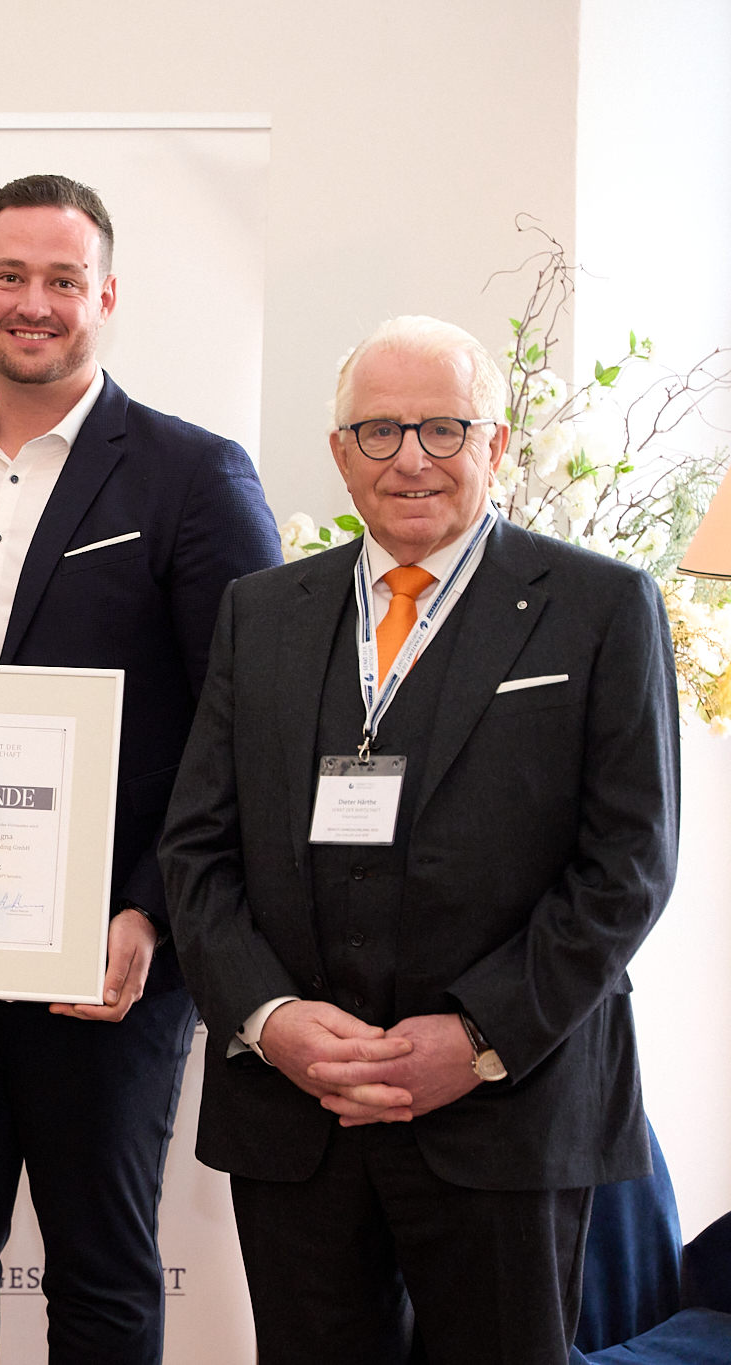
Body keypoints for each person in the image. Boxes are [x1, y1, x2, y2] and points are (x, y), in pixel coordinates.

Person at [159, 315, 680, 1364]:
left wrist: (478, 1038)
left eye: (443, 429)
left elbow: (627, 866)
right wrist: (270, 1018)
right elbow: (196, 852)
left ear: (497, 445)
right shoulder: (259, 611)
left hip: (507, 1118)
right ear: (339, 452)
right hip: (296, 1117)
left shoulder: (598, 606)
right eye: (379, 430)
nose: (409, 459)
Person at [0, 173, 282, 1364]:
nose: (32, 302)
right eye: (9, 276)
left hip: (99, 947)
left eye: (61, 280)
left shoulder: (192, 473)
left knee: (97, 1268)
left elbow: (246, 718)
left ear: (105, 297)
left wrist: (149, 907)